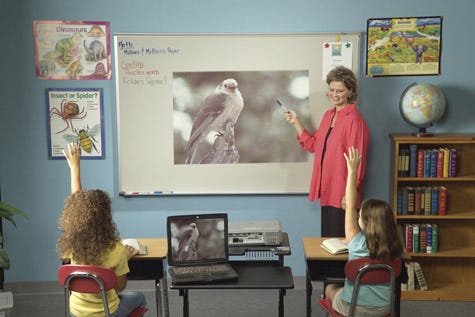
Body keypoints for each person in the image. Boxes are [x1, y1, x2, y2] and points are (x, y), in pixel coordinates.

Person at [57, 143, 147, 317]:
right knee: (139, 298)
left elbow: (78, 202)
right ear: (106, 217)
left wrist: (74, 169)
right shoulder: (116, 250)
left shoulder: (73, 245)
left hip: (76, 312)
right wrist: (125, 258)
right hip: (108, 312)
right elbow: (119, 286)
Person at [284, 65, 370, 237]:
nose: (335, 95)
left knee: (341, 247)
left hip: (343, 195)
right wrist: (296, 123)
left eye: (340, 91)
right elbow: (314, 146)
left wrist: (349, 195)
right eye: (332, 89)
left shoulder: (354, 119)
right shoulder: (328, 115)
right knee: (328, 244)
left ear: (350, 92)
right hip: (327, 192)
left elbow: (357, 161)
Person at [324, 146, 404, 316]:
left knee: (330, 289)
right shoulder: (395, 246)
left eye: (360, 215)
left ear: (365, 223)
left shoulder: (356, 242)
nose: (357, 215)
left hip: (353, 309)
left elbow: (350, 205)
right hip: (385, 310)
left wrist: (352, 171)